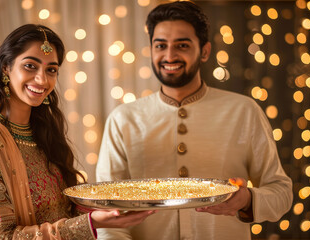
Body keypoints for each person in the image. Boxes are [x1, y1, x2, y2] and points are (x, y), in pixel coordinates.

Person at [96, 1, 293, 239]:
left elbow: (281, 194)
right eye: (161, 45)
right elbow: (108, 211)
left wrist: (247, 199)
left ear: (205, 51)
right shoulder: (123, 119)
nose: (169, 55)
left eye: (182, 45)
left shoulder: (244, 111)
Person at [0, 24, 155, 240]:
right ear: (6, 67)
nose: (42, 80)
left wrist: (113, 207)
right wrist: (92, 222)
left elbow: (63, 212)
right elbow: (4, 236)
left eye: (51, 69)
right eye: (30, 66)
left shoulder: (45, 133)